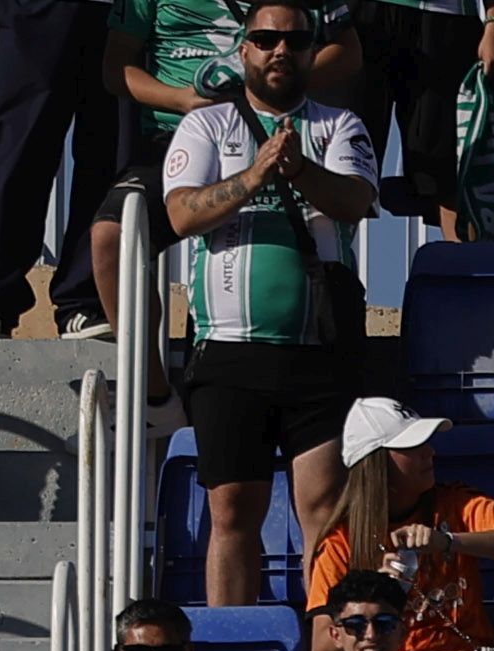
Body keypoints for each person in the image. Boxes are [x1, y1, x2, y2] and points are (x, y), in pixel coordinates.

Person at [151, 5, 378, 611]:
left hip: (318, 353)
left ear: (312, 52)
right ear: (244, 49)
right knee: (231, 513)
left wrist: (297, 167)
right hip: (228, 351)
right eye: (266, 38)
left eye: (296, 40)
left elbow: (355, 200)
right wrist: (252, 178)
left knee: (325, 510)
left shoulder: (340, 124)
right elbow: (179, 214)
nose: (281, 50)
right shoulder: (206, 127)